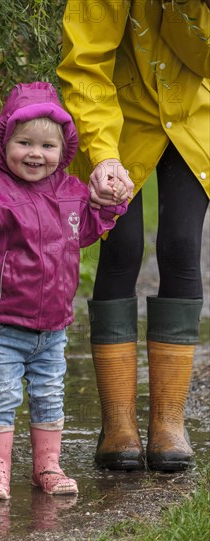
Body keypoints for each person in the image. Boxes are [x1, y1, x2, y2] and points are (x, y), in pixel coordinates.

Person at [0, 82, 127, 499]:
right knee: (2, 396)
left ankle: (48, 467)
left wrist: (104, 205)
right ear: (4, 142)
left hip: (52, 326)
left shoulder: (70, 193)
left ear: (64, 148)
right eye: (24, 142)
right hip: (2, 324)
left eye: (47, 146)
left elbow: (85, 232)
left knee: (49, 396)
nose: (36, 154)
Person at [57, 0, 210, 472]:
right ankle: (118, 424)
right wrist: (101, 153)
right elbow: (84, 62)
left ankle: (169, 423)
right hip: (118, 121)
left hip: (195, 117)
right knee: (121, 248)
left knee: (182, 247)